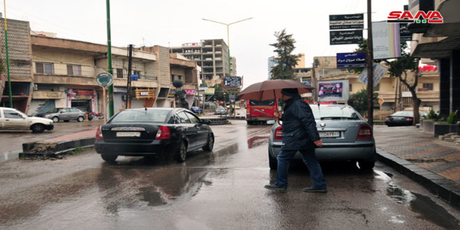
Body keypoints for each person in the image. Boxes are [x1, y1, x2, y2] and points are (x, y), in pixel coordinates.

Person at [264, 88, 327, 193]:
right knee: (310, 160)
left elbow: (308, 121)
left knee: (283, 158)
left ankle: (280, 184)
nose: (282, 96)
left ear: (289, 95)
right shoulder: (293, 104)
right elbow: (294, 119)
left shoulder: (298, 104)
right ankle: (320, 185)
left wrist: (315, 138)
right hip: (300, 137)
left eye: (283, 94)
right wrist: (282, 116)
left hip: (295, 137)